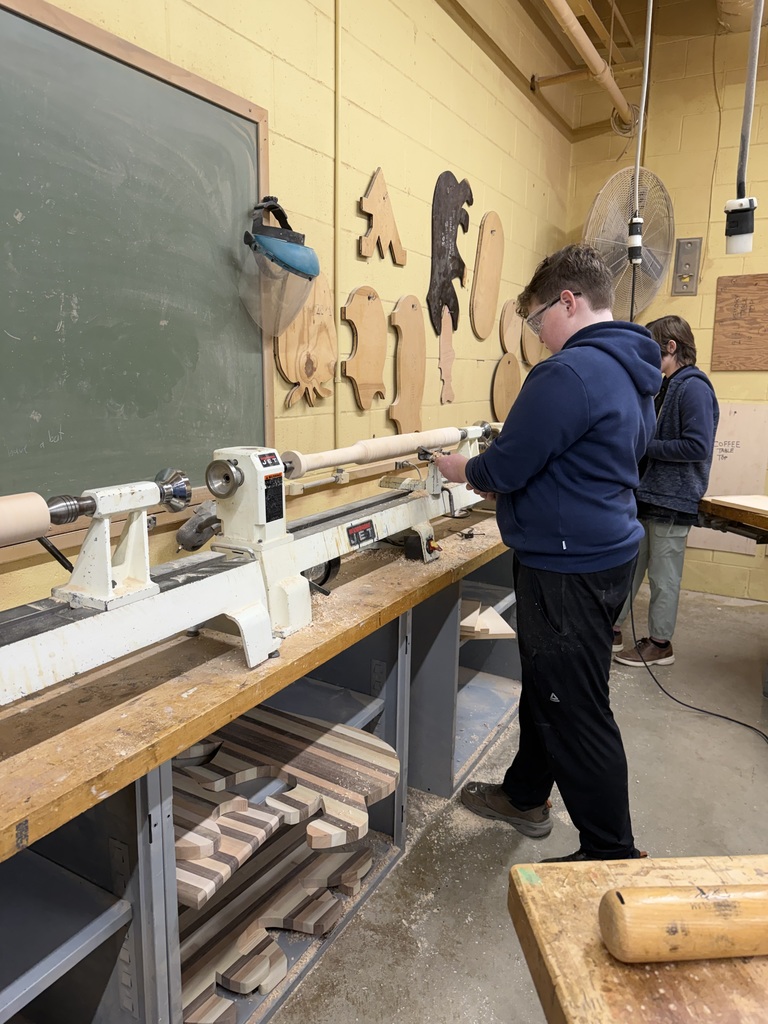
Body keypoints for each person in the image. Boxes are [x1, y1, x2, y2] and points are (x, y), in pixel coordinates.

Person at [434, 244, 661, 862]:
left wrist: (463, 468)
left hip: (567, 564)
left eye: (537, 321)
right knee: (550, 686)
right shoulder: (635, 368)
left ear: (568, 301)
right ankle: (526, 795)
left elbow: (506, 466)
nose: (536, 336)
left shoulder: (568, 372)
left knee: (576, 706)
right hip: (608, 548)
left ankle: (611, 853)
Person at [613, 316, 719, 667]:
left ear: (671, 347)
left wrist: (647, 445)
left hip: (673, 500)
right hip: (649, 496)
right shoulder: (666, 386)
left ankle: (660, 643)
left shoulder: (694, 388)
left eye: (652, 348)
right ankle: (611, 629)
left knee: (664, 576)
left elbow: (697, 446)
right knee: (630, 568)